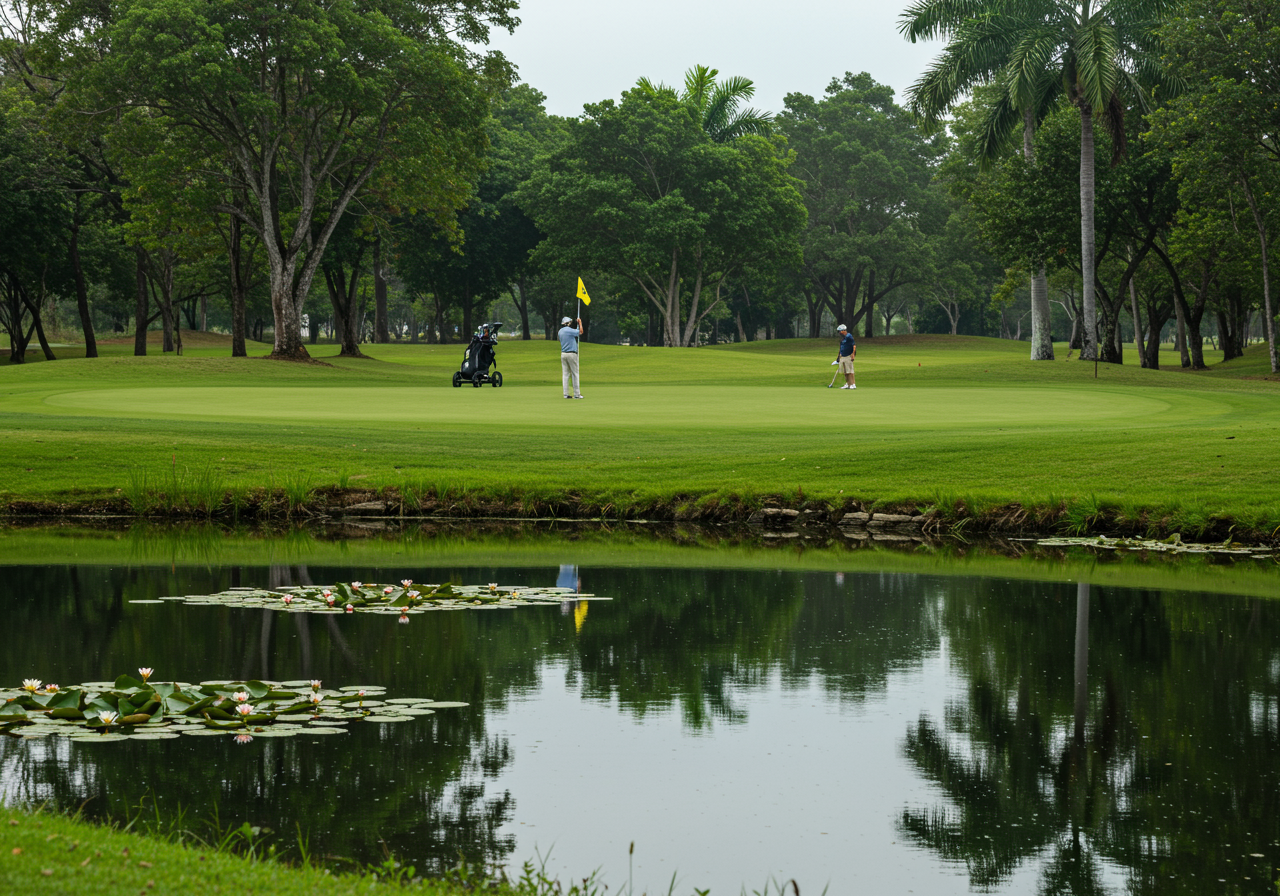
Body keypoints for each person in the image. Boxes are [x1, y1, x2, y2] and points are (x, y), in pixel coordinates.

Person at [558, 315, 584, 399]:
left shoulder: (560, 331)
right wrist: (580, 323)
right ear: (568, 323)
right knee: (575, 373)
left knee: (565, 374)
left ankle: (565, 394)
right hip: (571, 354)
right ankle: (577, 394)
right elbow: (580, 332)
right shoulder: (569, 330)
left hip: (563, 354)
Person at [832, 324, 856, 389]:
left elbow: (854, 346)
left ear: (843, 330)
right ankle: (848, 384)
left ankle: (852, 384)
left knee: (849, 371)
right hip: (842, 356)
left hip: (848, 356)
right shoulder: (843, 338)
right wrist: (838, 359)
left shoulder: (849, 336)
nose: (839, 333)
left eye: (840, 331)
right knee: (845, 371)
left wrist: (853, 355)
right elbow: (841, 348)